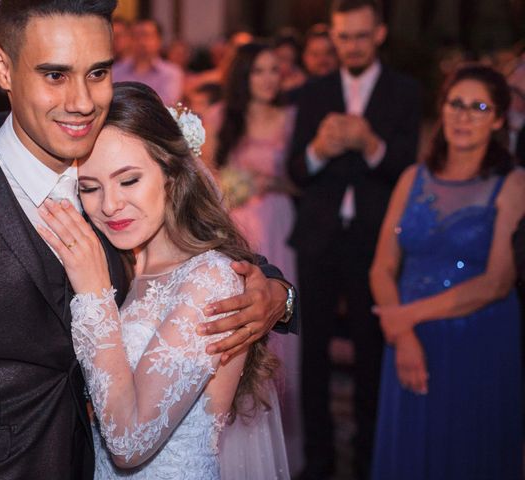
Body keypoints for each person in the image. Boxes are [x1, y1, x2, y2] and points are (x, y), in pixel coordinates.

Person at [0, 1, 295, 479]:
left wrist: (278, 296)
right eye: (55, 75)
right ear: (3, 68)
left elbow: (218, 262)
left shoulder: (113, 174)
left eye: (97, 72)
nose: (81, 101)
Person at [36, 80, 281, 479]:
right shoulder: (123, 265)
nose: (110, 205)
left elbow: (129, 443)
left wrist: (94, 295)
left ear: (170, 174)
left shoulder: (211, 279)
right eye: (90, 188)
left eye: (129, 180)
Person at [370, 64, 524, 479]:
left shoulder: (513, 185)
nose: (463, 116)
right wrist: (403, 334)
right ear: (442, 110)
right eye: (456, 103)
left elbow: (497, 283)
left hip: (477, 337)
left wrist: (405, 318)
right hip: (408, 342)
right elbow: (382, 267)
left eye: (478, 106)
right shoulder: (411, 179)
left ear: (498, 119)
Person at [287, 0, 421, 478]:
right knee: (313, 354)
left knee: (371, 353)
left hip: (375, 243)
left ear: (380, 33)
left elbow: (409, 170)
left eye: (361, 36)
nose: (351, 46)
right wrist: (319, 150)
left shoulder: (405, 92)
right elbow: (296, 171)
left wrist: (371, 145)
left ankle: (369, 461)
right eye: (344, 37)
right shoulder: (312, 92)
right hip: (319, 239)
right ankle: (318, 462)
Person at [204, 42, 303, 477]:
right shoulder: (222, 116)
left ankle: (289, 442)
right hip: (234, 226)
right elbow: (203, 180)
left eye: (273, 70)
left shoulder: (293, 118)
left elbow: (307, 181)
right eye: (258, 70)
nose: (268, 78)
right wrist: (232, 186)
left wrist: (271, 182)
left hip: (278, 222)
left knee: (274, 320)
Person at [112, 18, 184, 105]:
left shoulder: (171, 73)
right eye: (136, 36)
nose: (141, 41)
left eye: (146, 36)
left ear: (159, 40)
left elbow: (167, 105)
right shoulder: (115, 70)